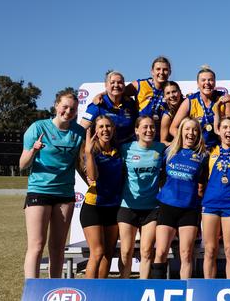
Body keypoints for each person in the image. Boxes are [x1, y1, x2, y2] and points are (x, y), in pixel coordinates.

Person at [20, 89, 85, 278]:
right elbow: (22, 165)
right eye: (64, 107)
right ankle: (32, 290)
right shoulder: (38, 128)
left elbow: (80, 164)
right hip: (39, 191)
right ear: (56, 105)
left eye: (72, 109)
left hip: (65, 195)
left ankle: (53, 289)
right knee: (37, 245)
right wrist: (34, 149)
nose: (68, 112)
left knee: (57, 247)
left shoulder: (79, 132)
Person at [151, 118, 207, 280]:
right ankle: (157, 291)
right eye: (187, 129)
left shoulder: (203, 156)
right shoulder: (168, 151)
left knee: (186, 253)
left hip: (189, 209)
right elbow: (159, 177)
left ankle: (185, 290)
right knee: (161, 252)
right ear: (181, 131)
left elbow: (203, 184)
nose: (191, 133)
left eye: (195, 130)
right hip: (167, 206)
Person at [117, 116, 165, 279]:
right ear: (136, 130)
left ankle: (142, 287)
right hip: (128, 206)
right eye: (145, 127)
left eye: (152, 127)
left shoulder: (161, 148)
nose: (149, 130)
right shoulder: (126, 148)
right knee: (126, 251)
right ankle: (124, 287)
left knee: (146, 251)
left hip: (152, 208)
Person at [80, 115, 124, 279]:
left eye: (108, 126)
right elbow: (93, 176)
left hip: (113, 208)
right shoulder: (91, 152)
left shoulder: (118, 151)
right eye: (101, 127)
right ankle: (88, 292)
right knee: (97, 252)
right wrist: (89, 153)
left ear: (113, 129)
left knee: (108, 253)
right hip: (93, 208)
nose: (105, 130)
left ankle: (101, 291)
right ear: (95, 131)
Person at [202, 117, 230, 279]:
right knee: (210, 249)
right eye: (225, 127)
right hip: (210, 204)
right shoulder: (210, 150)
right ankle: (207, 286)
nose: (229, 130)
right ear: (218, 130)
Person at [92, 56, 171, 135]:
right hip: (142, 135)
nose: (161, 72)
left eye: (165, 70)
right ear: (152, 71)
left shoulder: (171, 89)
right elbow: (118, 90)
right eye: (158, 69)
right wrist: (101, 94)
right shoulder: (139, 85)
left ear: (169, 72)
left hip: (161, 134)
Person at [171, 66, 228, 150]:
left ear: (215, 83)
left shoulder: (224, 98)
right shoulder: (189, 101)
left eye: (210, 80)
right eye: (203, 80)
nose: (207, 83)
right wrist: (188, 142)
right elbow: (173, 128)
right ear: (198, 83)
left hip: (219, 150)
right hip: (197, 149)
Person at [81, 71, 138, 144]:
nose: (116, 85)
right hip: (103, 150)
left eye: (120, 82)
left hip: (127, 149)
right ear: (106, 85)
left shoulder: (131, 104)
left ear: (124, 85)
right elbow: (82, 129)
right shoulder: (97, 104)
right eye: (112, 82)